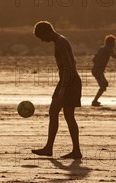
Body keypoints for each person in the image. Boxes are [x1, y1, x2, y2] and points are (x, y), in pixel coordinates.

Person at [31, 21, 82, 159]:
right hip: (69, 80)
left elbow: (67, 67)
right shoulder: (61, 40)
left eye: (41, 37)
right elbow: (73, 63)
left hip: (69, 81)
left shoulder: (60, 43)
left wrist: (63, 90)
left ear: (47, 31)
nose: (42, 40)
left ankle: (51, 148)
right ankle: (72, 150)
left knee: (56, 112)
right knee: (66, 116)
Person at [91, 34, 116, 107]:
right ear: (111, 43)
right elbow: (113, 55)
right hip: (98, 70)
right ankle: (94, 101)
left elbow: (94, 59)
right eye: (114, 43)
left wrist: (99, 66)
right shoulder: (108, 49)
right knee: (104, 85)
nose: (114, 45)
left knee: (104, 84)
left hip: (95, 69)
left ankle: (95, 100)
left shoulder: (102, 49)